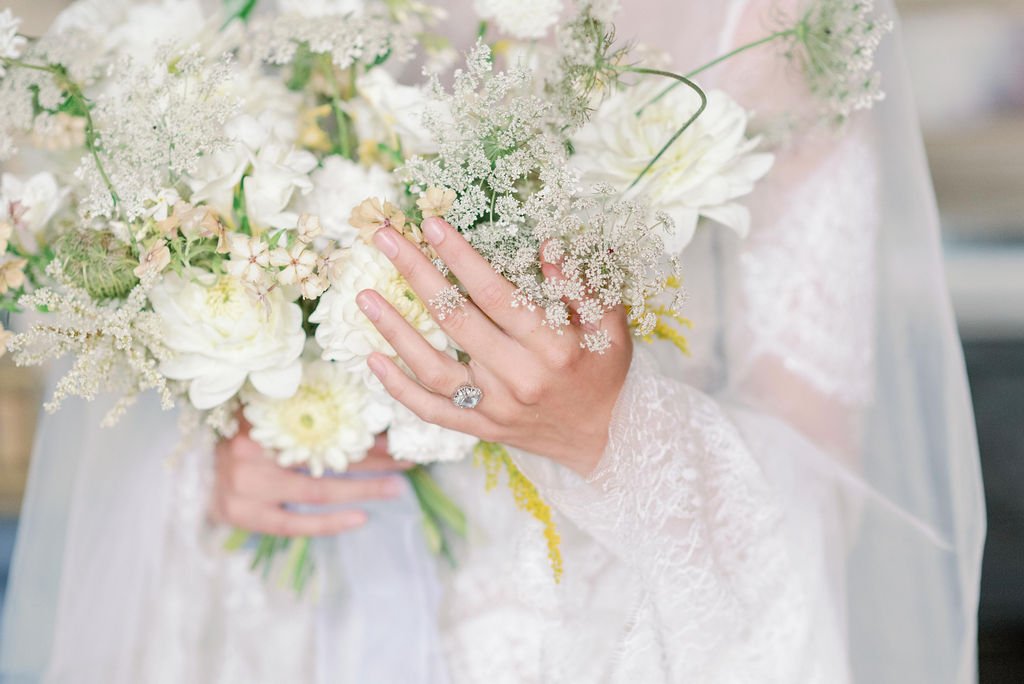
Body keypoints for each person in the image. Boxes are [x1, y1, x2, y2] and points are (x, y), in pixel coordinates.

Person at [1, 1, 985, 682]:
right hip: (296, 610)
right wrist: (213, 460)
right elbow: (141, 311)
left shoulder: (781, 30)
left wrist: (614, 434)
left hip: (585, 632)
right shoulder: (223, 20)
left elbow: (826, 483)